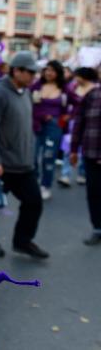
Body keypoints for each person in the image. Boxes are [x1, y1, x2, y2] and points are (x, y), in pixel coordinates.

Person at [0, 51, 49, 259]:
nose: (34, 76)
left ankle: (22, 241)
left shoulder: (25, 92)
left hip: (24, 165)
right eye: (30, 72)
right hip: (2, 164)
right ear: (17, 71)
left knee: (34, 202)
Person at [70, 73, 101, 245]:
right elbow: (79, 123)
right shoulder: (92, 95)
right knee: (94, 193)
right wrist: (73, 150)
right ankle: (98, 228)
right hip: (91, 153)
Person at [31, 60, 69, 200]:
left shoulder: (64, 88)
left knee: (48, 157)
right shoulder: (36, 85)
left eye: (52, 70)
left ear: (58, 73)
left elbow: (76, 104)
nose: (48, 72)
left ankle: (45, 185)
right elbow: (28, 102)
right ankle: (34, 183)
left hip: (54, 127)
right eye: (46, 69)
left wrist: (64, 119)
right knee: (32, 156)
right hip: (35, 125)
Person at [58, 67, 98, 187]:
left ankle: (82, 173)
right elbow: (66, 102)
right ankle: (66, 174)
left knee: (86, 150)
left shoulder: (96, 89)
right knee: (68, 148)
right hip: (73, 121)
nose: (76, 78)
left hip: (91, 126)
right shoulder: (72, 87)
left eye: (78, 75)